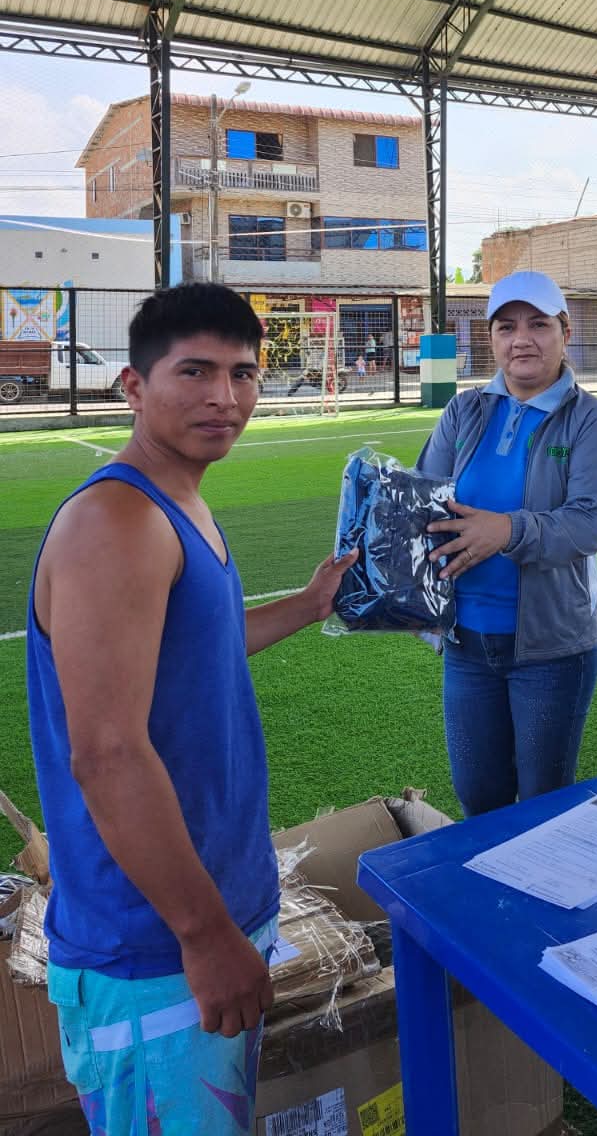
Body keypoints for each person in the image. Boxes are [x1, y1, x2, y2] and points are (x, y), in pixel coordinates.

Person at [26, 284, 356, 1134]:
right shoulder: (117, 521)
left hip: (202, 909)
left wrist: (308, 606)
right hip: (155, 944)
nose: (225, 397)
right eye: (195, 372)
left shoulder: (178, 502)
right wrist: (206, 935)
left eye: (243, 374)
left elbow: (192, 646)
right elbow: (106, 755)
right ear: (134, 388)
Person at [417, 270, 597, 816]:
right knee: (479, 798)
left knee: (541, 807)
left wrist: (505, 530)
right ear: (491, 338)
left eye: (538, 324)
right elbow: (424, 501)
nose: (522, 339)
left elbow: (589, 524)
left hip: (551, 650)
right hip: (466, 644)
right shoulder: (464, 411)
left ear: (565, 332)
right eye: (506, 327)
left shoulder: (589, 419)